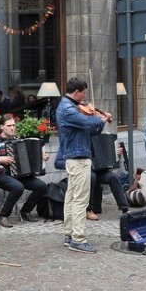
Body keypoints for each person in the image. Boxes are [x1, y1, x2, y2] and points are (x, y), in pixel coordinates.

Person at [56, 76, 110, 253]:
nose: (85, 96)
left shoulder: (73, 108)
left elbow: (92, 130)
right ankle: (78, 239)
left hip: (77, 156)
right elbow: (88, 122)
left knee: (72, 197)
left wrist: (99, 121)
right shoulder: (67, 108)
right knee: (80, 200)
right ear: (76, 92)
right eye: (84, 92)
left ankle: (69, 234)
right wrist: (100, 118)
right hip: (77, 158)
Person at [0, 114, 50, 228]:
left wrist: (42, 156)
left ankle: (25, 211)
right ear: (2, 127)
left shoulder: (18, 140)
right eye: (9, 126)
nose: (12, 128)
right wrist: (0, 158)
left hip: (18, 175)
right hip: (1, 175)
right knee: (18, 187)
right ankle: (3, 215)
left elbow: (28, 157)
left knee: (41, 186)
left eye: (13, 125)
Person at [89, 143, 130, 219]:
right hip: (85, 171)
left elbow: (111, 161)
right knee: (92, 177)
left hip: (100, 171)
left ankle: (124, 209)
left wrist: (115, 153)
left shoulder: (100, 138)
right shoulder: (77, 140)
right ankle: (89, 210)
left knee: (113, 177)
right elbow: (60, 162)